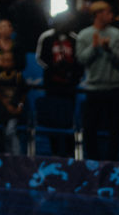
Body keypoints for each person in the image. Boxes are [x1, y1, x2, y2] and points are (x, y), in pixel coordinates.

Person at [75, 0, 119, 160]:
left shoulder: (117, 35)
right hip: (93, 89)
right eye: (108, 12)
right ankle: (93, 162)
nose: (111, 15)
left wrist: (108, 50)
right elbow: (81, 59)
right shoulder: (84, 35)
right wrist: (94, 47)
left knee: (114, 129)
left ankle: (112, 161)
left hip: (113, 88)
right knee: (90, 128)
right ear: (98, 14)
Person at [35, 13, 83, 157]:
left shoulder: (75, 38)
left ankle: (69, 154)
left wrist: (71, 74)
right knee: (53, 120)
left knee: (68, 120)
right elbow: (40, 58)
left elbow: (80, 61)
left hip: (69, 87)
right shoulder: (47, 37)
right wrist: (53, 68)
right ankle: (54, 152)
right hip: (52, 86)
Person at [0, 50, 27, 155]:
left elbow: (23, 94)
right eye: (4, 61)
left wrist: (19, 106)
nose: (6, 63)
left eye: (9, 61)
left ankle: (15, 158)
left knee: (10, 131)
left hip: (15, 114)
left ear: (14, 62)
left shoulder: (18, 77)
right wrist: (6, 105)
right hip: (0, 114)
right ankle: (3, 157)